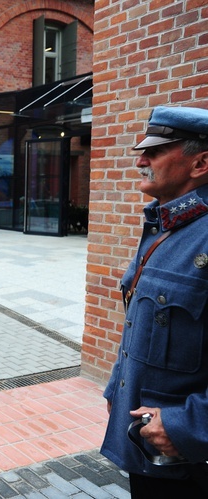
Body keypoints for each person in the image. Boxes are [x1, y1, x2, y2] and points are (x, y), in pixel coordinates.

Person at [102, 106, 208, 497]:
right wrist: (117, 388)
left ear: (201, 162)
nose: (140, 161)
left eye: (156, 152)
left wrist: (189, 426)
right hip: (147, 443)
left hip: (189, 454)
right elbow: (139, 322)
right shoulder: (165, 226)